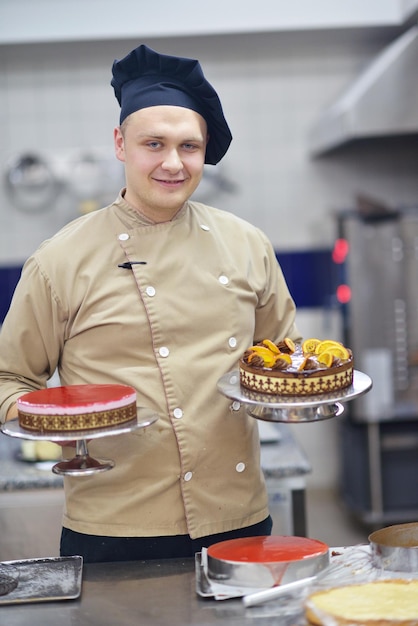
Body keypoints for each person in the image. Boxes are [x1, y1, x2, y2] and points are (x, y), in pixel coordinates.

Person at [0, 44, 301, 562]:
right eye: (153, 144)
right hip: (113, 526)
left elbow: (282, 359)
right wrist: (62, 429)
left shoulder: (247, 243)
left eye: (188, 147)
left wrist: (295, 397)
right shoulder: (59, 260)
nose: (172, 163)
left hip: (240, 516)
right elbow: (11, 380)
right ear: (120, 144)